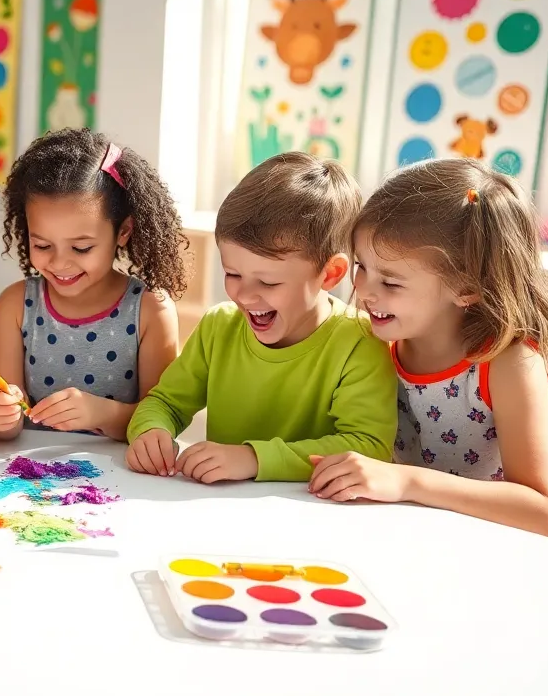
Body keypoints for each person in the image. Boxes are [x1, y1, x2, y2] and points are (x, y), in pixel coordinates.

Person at [315, 158, 548, 537]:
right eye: (361, 265)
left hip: (484, 552)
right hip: (405, 536)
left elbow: (545, 513)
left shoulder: (508, 363)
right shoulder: (372, 342)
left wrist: (406, 482)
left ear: (466, 288)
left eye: (392, 283)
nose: (365, 290)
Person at [127, 151, 396, 483]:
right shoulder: (218, 327)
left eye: (268, 282)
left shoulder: (360, 342)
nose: (244, 295)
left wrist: (255, 459)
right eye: (232, 274)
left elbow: (368, 447)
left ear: (330, 274)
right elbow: (165, 402)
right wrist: (151, 431)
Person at [0, 128, 188, 441]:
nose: (60, 263)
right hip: (31, 478)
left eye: (81, 248)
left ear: (123, 231)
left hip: (118, 480)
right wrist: (0, 414)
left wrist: (101, 414)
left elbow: (164, 417)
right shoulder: (15, 304)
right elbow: (0, 426)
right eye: (42, 245)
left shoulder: (149, 311)